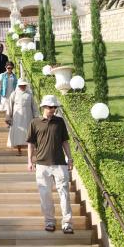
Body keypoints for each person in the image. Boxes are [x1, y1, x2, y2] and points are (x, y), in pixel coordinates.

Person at [26, 95, 74, 234]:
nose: (53, 109)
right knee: (45, 195)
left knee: (64, 194)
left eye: (54, 107)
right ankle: (49, 221)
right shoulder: (34, 123)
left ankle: (67, 223)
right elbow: (30, 143)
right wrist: (30, 161)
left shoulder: (60, 122)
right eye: (50, 107)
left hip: (60, 164)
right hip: (41, 165)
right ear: (43, 107)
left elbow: (65, 141)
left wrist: (69, 159)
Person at [6, 79, 38, 155]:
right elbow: (10, 106)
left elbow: (34, 107)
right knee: (18, 133)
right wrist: (8, 117)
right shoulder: (14, 94)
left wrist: (36, 116)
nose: (22, 87)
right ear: (18, 85)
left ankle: (29, 150)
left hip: (28, 117)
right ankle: (19, 149)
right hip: (17, 117)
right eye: (21, 85)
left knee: (28, 133)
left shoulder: (30, 94)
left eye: (24, 85)